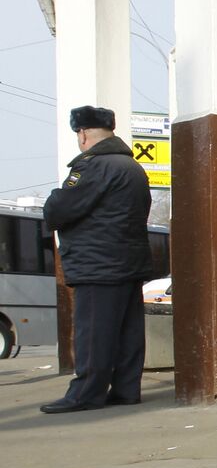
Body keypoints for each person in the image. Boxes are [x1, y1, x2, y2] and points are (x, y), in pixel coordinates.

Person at [40, 105, 153, 414]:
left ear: (83, 133)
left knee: (94, 333)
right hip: (129, 262)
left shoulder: (93, 168)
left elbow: (58, 210)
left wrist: (54, 196)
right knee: (128, 332)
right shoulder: (132, 168)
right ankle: (126, 390)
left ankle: (85, 394)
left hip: (98, 264)